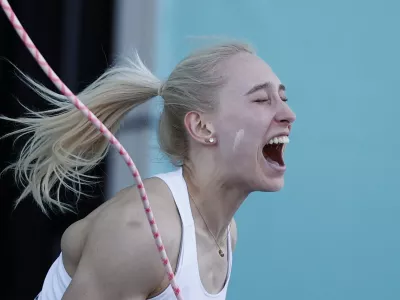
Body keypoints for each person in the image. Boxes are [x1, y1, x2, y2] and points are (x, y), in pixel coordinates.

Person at [4, 42, 296, 299]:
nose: (288, 114)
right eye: (261, 100)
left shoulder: (225, 234)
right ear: (201, 127)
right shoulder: (142, 231)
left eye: (283, 98)